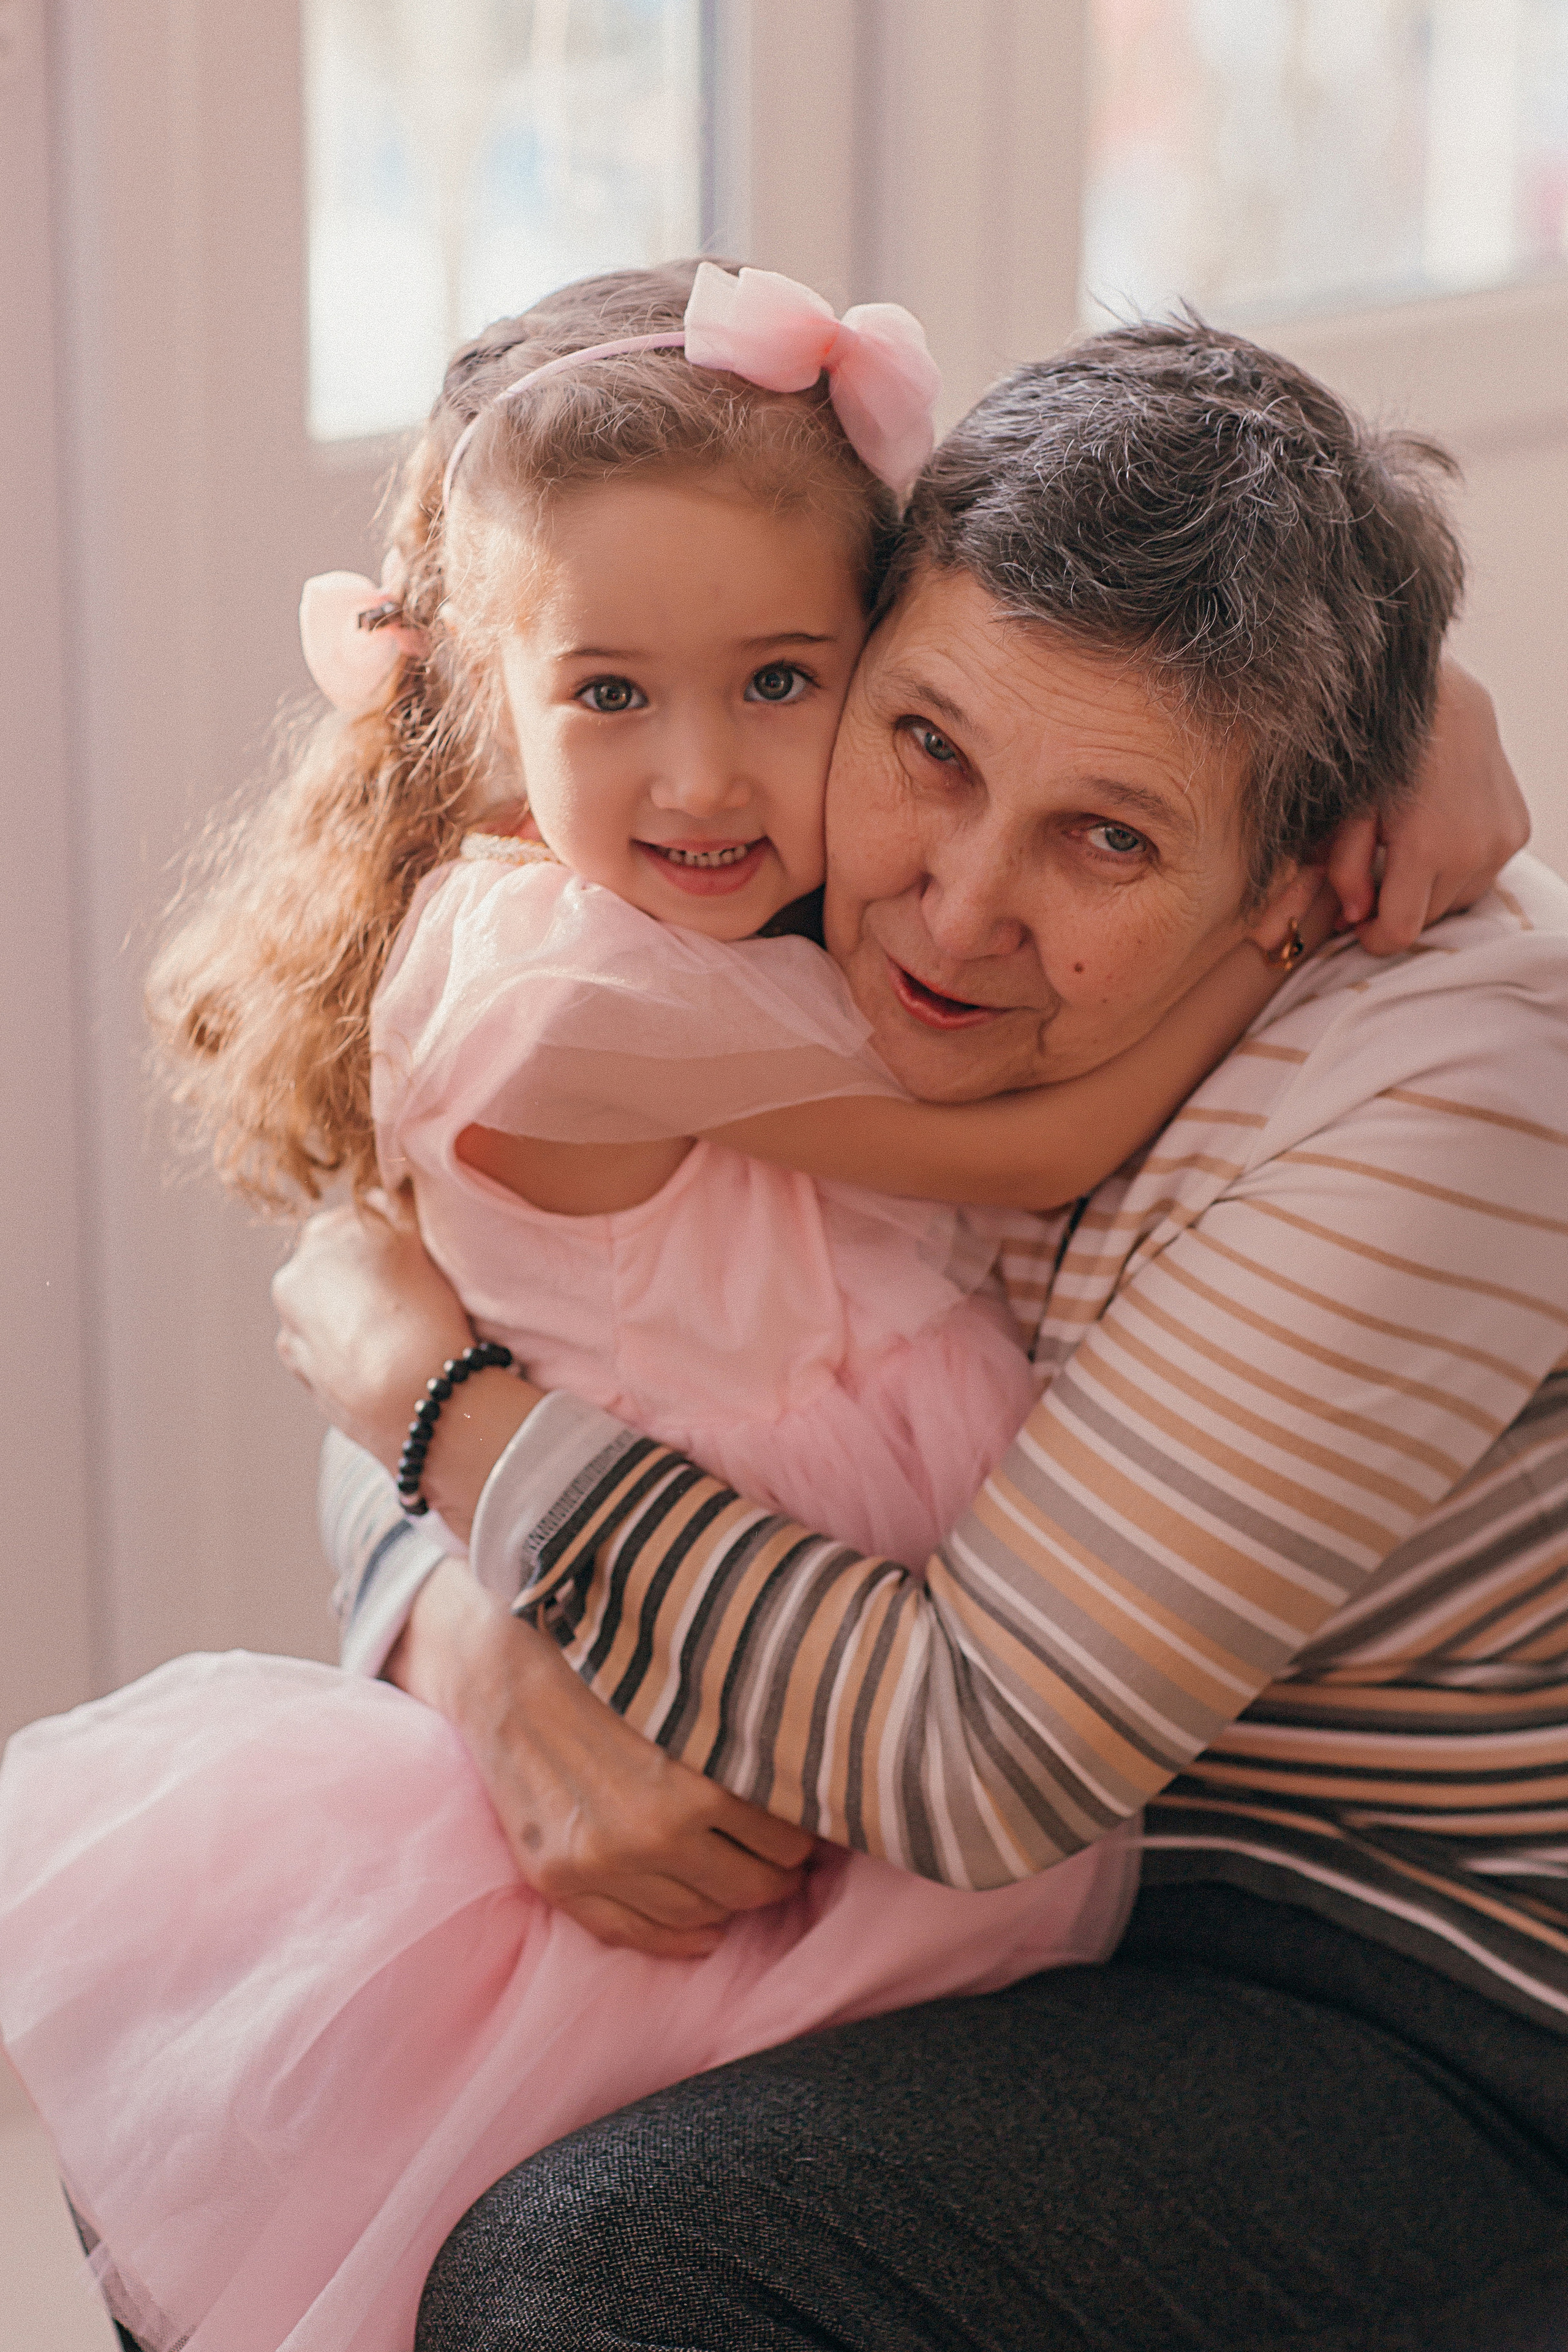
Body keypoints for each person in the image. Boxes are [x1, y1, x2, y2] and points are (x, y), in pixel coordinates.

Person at [0, 264, 1354, 2352]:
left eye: (784, 685)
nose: (710, 780)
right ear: (480, 698)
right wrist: (1273, 919)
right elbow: (1012, 1135)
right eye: (612, 697)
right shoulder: (577, 983)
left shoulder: (675, 913)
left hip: (857, 1655)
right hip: (726, 1651)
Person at [276, 322, 1568, 2349]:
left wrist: (426, 1414)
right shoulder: (786, 836)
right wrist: (470, 1635)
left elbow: (972, 1757)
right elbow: (497, 1278)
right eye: (930, 750)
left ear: (1298, 886)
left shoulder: (1456, 1099)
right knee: (284, 2094)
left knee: (595, 2274)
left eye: (1108, 841)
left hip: (1388, 1967)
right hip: (1006, 1858)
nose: (952, 915)